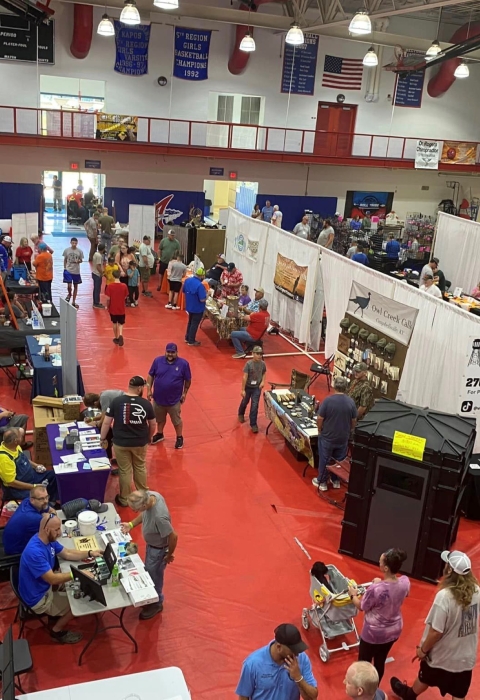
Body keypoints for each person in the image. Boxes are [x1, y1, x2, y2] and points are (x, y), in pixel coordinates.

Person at [390, 550, 480, 700]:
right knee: (458, 693)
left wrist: (423, 651)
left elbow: (436, 632)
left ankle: (409, 695)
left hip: (442, 656)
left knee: (426, 676)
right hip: (464, 658)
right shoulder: (477, 591)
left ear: (450, 570)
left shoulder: (444, 596)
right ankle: (409, 694)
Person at [19, 514, 102, 644]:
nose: (60, 532)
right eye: (57, 529)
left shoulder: (46, 540)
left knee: (74, 584)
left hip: (41, 587)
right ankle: (56, 631)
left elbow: (67, 553)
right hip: (38, 599)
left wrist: (90, 552)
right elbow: (52, 579)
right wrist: (79, 574)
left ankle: (56, 614)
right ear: (47, 530)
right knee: (80, 602)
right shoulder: (35, 552)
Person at [349, 549, 410, 681]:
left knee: (363, 664)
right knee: (380, 661)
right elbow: (401, 592)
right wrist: (380, 583)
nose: (379, 562)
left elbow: (361, 606)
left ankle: (363, 691)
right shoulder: (405, 582)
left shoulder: (375, 590)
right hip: (394, 631)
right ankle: (374, 689)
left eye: (380, 562)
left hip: (373, 634)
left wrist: (352, 594)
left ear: (386, 568)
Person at [120, 489, 178, 619]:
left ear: (144, 506)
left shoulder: (159, 517)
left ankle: (156, 603)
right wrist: (131, 524)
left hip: (158, 550)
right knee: (149, 572)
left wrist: (169, 554)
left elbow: (173, 536)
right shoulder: (152, 496)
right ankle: (151, 599)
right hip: (152, 546)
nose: (136, 513)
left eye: (136, 510)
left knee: (154, 576)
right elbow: (145, 514)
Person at [101, 377, 155, 508]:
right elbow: (152, 424)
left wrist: (102, 438)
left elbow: (107, 422)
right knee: (140, 466)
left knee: (124, 470)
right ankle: (143, 496)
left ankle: (125, 498)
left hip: (121, 442)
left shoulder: (116, 401)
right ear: (140, 388)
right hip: (140, 442)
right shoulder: (146, 404)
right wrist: (149, 437)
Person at [236, 623, 318, 700]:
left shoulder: (302, 659)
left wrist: (298, 678)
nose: (297, 653)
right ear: (279, 647)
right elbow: (243, 696)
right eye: (293, 650)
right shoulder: (252, 664)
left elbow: (313, 697)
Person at [312, 376, 357, 491]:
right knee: (340, 460)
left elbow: (320, 418)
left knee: (325, 459)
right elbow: (353, 421)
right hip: (343, 438)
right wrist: (348, 431)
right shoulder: (351, 402)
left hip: (328, 437)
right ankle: (336, 480)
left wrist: (319, 429)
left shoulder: (328, 401)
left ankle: (322, 482)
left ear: (334, 386)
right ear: (345, 388)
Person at [147, 343, 191, 450]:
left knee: (176, 420)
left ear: (176, 352)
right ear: (165, 351)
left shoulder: (183, 364)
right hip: (158, 398)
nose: (170, 354)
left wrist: (184, 393)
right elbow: (150, 375)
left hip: (174, 400)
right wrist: (148, 390)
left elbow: (188, 380)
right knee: (159, 419)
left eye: (172, 352)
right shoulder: (157, 361)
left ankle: (179, 437)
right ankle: (160, 434)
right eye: (168, 352)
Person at [0, 428, 58, 503]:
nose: (22, 437)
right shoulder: (4, 459)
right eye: (20, 436)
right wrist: (34, 487)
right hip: (17, 489)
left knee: (53, 475)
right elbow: (11, 483)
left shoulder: (15, 446)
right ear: (15, 441)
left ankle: (51, 501)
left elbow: (24, 459)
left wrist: (36, 466)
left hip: (31, 476)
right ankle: (46, 507)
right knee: (40, 498)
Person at [3, 485, 54, 555]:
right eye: (41, 499)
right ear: (32, 500)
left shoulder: (27, 501)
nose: (46, 501)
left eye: (46, 497)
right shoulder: (34, 518)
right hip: (16, 551)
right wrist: (50, 516)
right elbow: (54, 529)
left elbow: (50, 510)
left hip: (9, 541)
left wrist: (49, 515)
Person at [83, 389, 124, 470]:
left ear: (95, 403)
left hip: (124, 411)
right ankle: (121, 461)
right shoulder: (102, 396)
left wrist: (98, 425)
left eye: (93, 407)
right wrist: (91, 419)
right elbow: (104, 415)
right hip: (120, 409)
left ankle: (123, 466)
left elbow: (105, 418)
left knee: (119, 437)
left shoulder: (104, 398)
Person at [238, 346, 266, 434]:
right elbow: (244, 377)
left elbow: (264, 372)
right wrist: (242, 390)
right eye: (257, 354)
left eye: (261, 354)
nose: (259, 356)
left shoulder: (263, 364)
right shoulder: (248, 364)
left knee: (255, 405)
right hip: (248, 387)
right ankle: (241, 413)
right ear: (253, 354)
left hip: (257, 388)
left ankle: (253, 424)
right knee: (245, 401)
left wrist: (263, 381)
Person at [183, 268, 207, 346]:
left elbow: (183, 291)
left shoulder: (187, 281)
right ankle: (191, 340)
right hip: (197, 308)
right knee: (194, 324)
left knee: (190, 322)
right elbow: (202, 299)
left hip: (189, 306)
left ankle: (187, 337)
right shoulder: (200, 285)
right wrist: (208, 295)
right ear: (202, 275)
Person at [105, 268, 129, 346]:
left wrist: (107, 306)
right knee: (121, 323)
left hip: (113, 308)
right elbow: (125, 297)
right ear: (120, 276)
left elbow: (108, 299)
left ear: (113, 276)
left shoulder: (110, 286)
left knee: (114, 322)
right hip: (121, 307)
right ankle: (121, 334)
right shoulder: (124, 286)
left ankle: (116, 337)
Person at [62, 237, 84, 308]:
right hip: (68, 270)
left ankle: (73, 301)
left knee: (75, 286)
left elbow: (81, 260)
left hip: (76, 271)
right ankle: (69, 293)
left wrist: (79, 261)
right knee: (69, 285)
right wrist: (65, 268)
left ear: (77, 243)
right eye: (73, 243)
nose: (74, 244)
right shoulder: (67, 250)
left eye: (75, 243)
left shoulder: (79, 251)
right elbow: (65, 259)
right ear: (70, 243)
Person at [91, 242, 105, 309]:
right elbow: (98, 266)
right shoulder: (99, 256)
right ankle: (96, 303)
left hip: (94, 273)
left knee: (96, 289)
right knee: (97, 289)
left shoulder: (95, 254)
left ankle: (95, 302)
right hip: (97, 274)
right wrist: (102, 273)